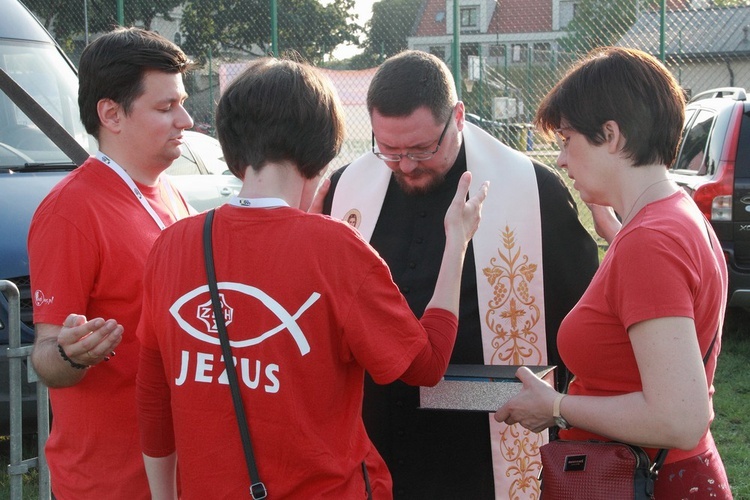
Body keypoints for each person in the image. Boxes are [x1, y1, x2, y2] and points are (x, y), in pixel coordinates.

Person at [135, 57, 488, 499]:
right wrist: (457, 241)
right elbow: (426, 365)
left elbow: (153, 397)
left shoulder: (171, 245)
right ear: (322, 149)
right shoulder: (335, 250)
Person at [322, 50, 600, 499]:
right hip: (372, 433)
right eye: (389, 149)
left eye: (422, 148)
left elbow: (582, 318)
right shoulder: (343, 190)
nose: (406, 165)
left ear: (458, 116)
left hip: (481, 443)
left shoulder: (534, 191)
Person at [494, 47, 732, 499]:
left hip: (645, 481)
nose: (561, 160)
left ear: (611, 135)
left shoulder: (650, 242)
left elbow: (680, 417)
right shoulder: (674, 214)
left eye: (566, 140)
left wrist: (557, 407)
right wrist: (614, 229)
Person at [27, 28, 195, 499]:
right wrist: (68, 352)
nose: (186, 119)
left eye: (180, 103)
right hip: (108, 483)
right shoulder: (70, 210)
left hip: (176, 473)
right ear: (111, 114)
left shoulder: (174, 194)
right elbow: (45, 354)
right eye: (166, 108)